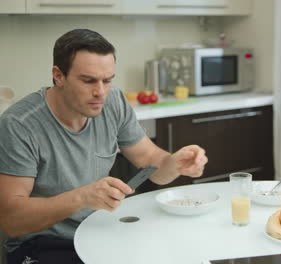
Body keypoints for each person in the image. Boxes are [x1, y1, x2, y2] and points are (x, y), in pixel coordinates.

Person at [0, 29, 208, 263]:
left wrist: (174, 163)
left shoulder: (113, 102)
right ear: (58, 76)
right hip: (43, 244)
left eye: (107, 80)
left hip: (98, 230)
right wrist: (81, 197)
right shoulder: (19, 125)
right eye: (88, 81)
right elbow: (11, 220)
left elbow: (151, 159)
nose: (100, 92)